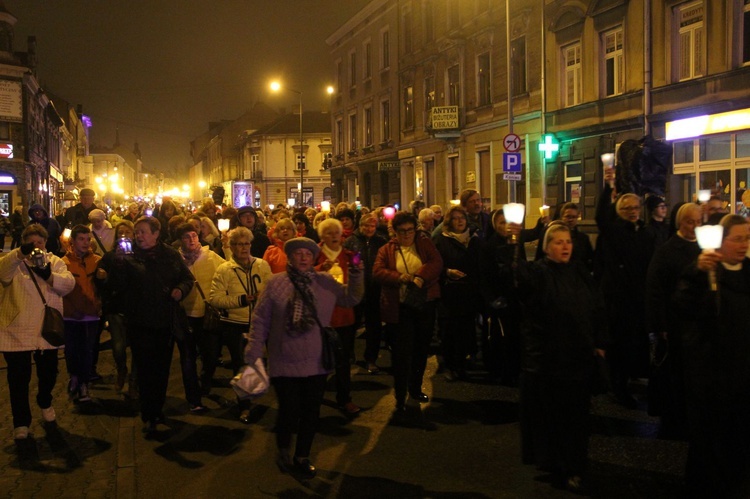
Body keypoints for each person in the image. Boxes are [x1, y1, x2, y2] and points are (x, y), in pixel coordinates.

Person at [244, 237, 364, 478]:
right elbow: (260, 319)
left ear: (314, 258)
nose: (303, 257)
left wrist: (357, 271)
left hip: (316, 360)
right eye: (298, 253)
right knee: (289, 410)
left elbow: (351, 298)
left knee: (311, 412)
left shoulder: (325, 282)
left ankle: (303, 455)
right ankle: (283, 448)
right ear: (290, 256)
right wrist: (254, 351)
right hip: (284, 359)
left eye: (308, 254)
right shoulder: (275, 283)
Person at [507, 221, 608, 495]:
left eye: (568, 242)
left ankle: (574, 465)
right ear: (546, 247)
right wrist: (514, 241)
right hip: (550, 359)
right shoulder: (539, 273)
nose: (565, 247)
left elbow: (597, 308)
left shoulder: (580, 272)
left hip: (579, 357)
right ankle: (560, 464)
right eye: (559, 242)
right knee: (555, 416)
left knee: (577, 417)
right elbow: (519, 281)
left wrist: (599, 342)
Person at [95, 216, 194, 435]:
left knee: (161, 369)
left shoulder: (169, 254)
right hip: (139, 322)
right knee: (145, 369)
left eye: (142, 232)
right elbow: (115, 288)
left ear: (156, 234)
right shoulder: (128, 257)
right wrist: (118, 265)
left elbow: (187, 279)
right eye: (136, 232)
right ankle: (149, 412)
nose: (138, 236)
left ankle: (156, 409)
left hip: (164, 321)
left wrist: (180, 290)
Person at [674, 214, 750, 497]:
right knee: (710, 442)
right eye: (737, 239)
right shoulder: (704, 272)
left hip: (743, 373)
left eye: (747, 238)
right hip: (712, 376)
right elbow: (682, 307)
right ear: (722, 240)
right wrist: (696, 273)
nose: (743, 245)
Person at [0, 224, 75, 440]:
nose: (36, 248)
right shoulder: (14, 262)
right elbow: (3, 275)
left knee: (49, 374)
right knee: (18, 380)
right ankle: (21, 423)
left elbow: (68, 285)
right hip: (17, 330)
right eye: (31, 243)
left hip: (46, 330)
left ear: (46, 243)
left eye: (39, 243)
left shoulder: (55, 262)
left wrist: (49, 276)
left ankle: (45, 400)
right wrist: (19, 254)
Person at [595, 173, 654, 408]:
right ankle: (617, 387)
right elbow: (601, 217)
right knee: (619, 344)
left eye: (635, 206)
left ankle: (629, 380)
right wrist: (607, 187)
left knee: (634, 343)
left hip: (637, 297)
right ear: (619, 210)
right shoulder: (614, 231)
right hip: (618, 298)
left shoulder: (645, 232)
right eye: (627, 207)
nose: (632, 210)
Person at [374, 211, 443, 412]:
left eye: (410, 230)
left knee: (421, 349)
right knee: (402, 354)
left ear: (415, 229)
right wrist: (399, 277)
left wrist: (420, 276)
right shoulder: (387, 250)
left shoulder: (424, 244)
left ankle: (414, 388)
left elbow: (436, 263)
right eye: (401, 231)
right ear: (394, 232)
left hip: (423, 305)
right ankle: (400, 393)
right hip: (400, 308)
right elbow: (377, 272)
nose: (406, 234)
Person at [645, 203, 702, 439]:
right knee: (675, 373)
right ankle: (674, 418)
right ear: (681, 223)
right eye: (691, 222)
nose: (695, 226)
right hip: (676, 323)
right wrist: (660, 326)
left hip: (698, 322)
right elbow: (655, 289)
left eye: (699, 222)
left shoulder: (704, 247)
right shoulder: (668, 250)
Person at [208, 227, 272, 423]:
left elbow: (272, 290)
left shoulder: (262, 265)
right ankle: (244, 406)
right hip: (235, 324)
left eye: (246, 243)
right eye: (238, 244)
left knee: (265, 362)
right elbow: (215, 298)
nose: (243, 248)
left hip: (260, 323)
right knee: (240, 366)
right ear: (232, 247)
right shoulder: (224, 270)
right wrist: (243, 299)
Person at [175, 223, 224, 411]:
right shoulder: (176, 259)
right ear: (181, 240)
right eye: (187, 237)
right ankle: (193, 397)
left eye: (194, 235)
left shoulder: (210, 257)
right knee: (187, 358)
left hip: (206, 315)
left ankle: (206, 377)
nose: (192, 240)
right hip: (184, 315)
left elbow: (227, 271)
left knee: (210, 355)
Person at [315, 218, 361, 415]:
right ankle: (314, 400)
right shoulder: (314, 254)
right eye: (329, 233)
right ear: (322, 236)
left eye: (336, 232)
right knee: (318, 361)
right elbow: (304, 274)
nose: (333, 236)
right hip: (321, 316)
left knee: (343, 361)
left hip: (343, 314)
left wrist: (357, 267)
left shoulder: (350, 255)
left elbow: (359, 277)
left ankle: (344, 398)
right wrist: (319, 269)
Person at [432, 205, 481, 381]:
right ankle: (449, 365)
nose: (460, 221)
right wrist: (447, 272)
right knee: (448, 332)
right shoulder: (442, 240)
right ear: (449, 221)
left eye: (462, 218)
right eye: (455, 218)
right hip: (449, 292)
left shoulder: (474, 239)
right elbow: (435, 265)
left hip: (468, 293)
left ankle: (460, 365)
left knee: (465, 331)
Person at [95, 221, 137, 396]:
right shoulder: (110, 257)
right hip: (116, 307)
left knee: (136, 346)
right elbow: (100, 277)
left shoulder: (139, 256)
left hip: (135, 308)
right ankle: (121, 370)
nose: (124, 235)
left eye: (128, 232)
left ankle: (135, 381)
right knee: (118, 347)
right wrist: (102, 276)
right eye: (121, 232)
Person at [61, 225, 102, 402]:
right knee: (71, 349)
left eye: (88, 239)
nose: (85, 243)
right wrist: (72, 309)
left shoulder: (97, 261)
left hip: (91, 313)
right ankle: (74, 376)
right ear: (73, 241)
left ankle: (84, 383)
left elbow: (102, 288)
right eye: (81, 239)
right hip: (71, 315)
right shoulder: (64, 263)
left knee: (87, 350)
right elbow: (61, 291)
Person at [343, 213, 387, 373]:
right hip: (356, 289)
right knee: (351, 325)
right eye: (366, 226)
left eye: (372, 226)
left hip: (374, 288)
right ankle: (349, 354)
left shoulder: (381, 241)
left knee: (373, 326)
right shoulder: (350, 242)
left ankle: (371, 359)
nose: (369, 229)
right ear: (360, 226)